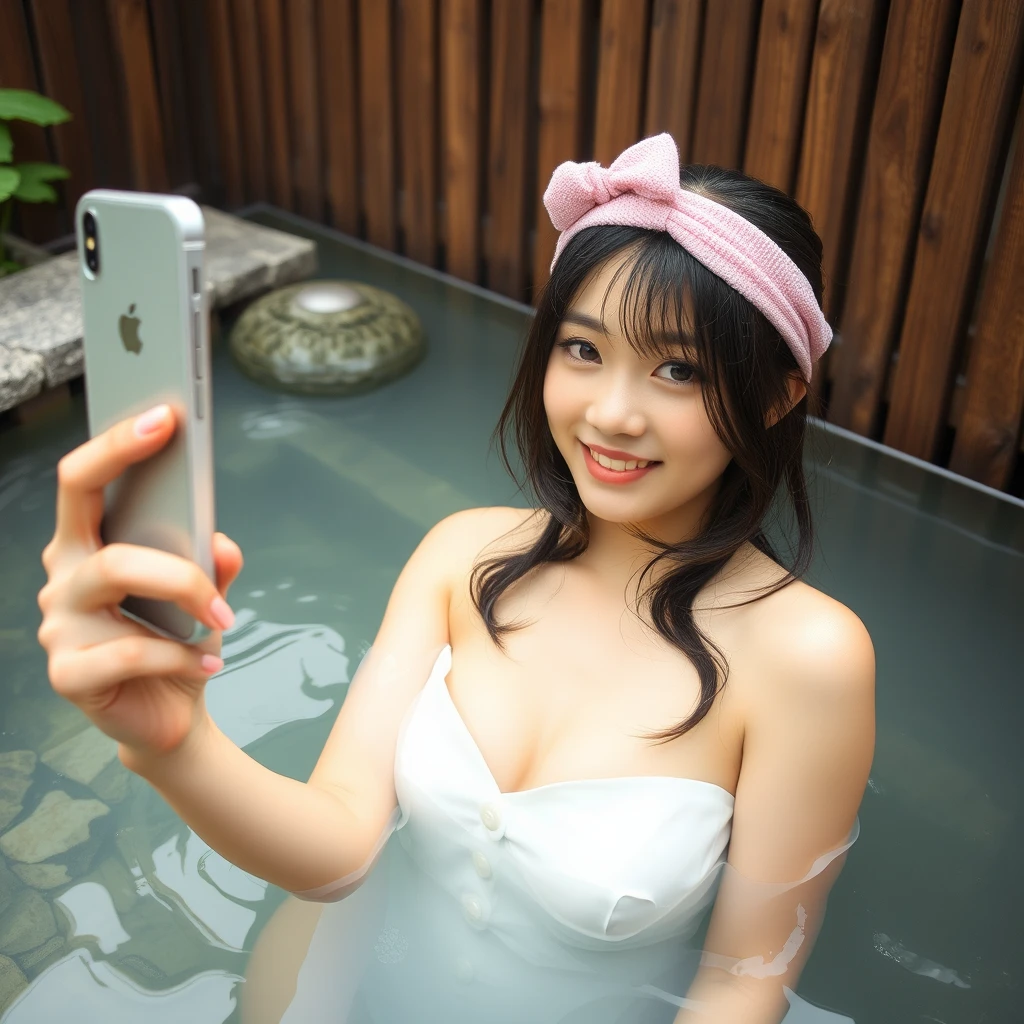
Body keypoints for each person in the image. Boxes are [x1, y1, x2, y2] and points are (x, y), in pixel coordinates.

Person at [37, 134, 875, 1023]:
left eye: (678, 369)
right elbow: (340, 850)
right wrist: (174, 745)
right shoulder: (461, 556)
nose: (611, 414)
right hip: (326, 985)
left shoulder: (807, 658)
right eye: (583, 350)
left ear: (779, 395)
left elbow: (745, 977)